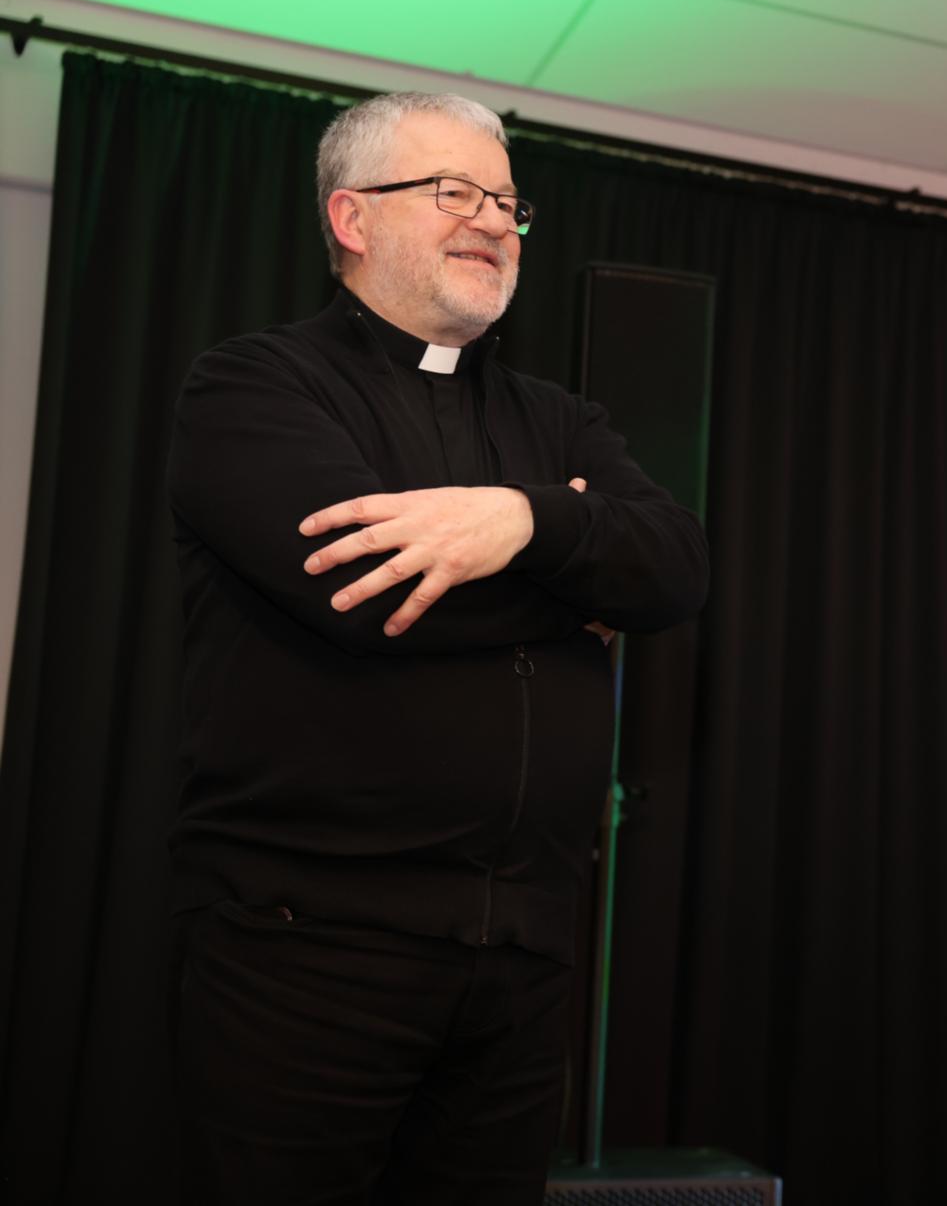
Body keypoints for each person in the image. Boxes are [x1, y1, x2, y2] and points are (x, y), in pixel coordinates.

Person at [166, 91, 709, 1204]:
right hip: (307, 949)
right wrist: (575, 582)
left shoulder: (561, 420)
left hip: (522, 961)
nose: (494, 222)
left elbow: (675, 570)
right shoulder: (254, 384)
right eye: (455, 193)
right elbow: (365, 596)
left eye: (508, 203)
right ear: (353, 217)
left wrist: (522, 522)